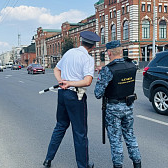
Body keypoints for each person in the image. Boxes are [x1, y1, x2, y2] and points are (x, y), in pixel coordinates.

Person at [43, 31, 99, 168]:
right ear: (93, 46)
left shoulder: (69, 53)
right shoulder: (88, 59)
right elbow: (87, 81)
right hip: (75, 96)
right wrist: (70, 83)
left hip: (62, 94)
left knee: (60, 126)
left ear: (81, 41)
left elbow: (56, 69)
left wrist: (62, 81)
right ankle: (83, 165)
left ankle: (48, 159)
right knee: (80, 132)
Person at [94, 40, 141, 168]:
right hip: (129, 106)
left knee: (115, 140)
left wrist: (102, 74)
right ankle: (137, 164)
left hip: (113, 109)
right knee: (130, 136)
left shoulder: (107, 70)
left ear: (109, 53)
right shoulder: (132, 65)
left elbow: (98, 93)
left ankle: (118, 165)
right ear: (121, 51)